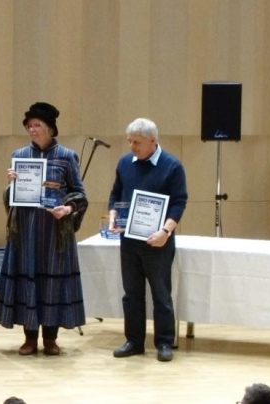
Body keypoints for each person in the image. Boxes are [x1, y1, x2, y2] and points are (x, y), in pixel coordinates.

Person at [0, 102, 88, 356]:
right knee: (29, 279)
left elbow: (80, 194)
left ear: (50, 128)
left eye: (37, 125)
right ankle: (30, 338)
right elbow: (12, 197)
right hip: (26, 231)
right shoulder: (20, 155)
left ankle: (51, 338)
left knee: (52, 283)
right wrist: (11, 185)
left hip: (55, 232)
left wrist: (67, 209)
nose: (32, 130)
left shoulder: (67, 156)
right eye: (29, 125)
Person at [108, 117, 188, 362]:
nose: (132, 146)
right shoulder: (125, 163)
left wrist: (166, 231)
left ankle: (164, 342)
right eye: (130, 141)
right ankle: (134, 341)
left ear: (153, 141)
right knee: (131, 293)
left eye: (137, 142)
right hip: (129, 240)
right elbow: (116, 194)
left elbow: (179, 202)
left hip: (158, 241)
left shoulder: (172, 166)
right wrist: (113, 216)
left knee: (161, 294)